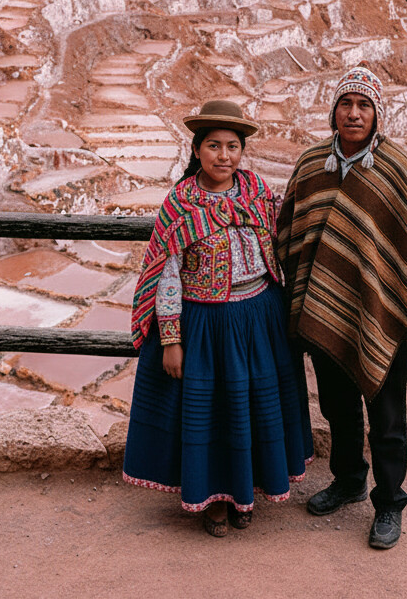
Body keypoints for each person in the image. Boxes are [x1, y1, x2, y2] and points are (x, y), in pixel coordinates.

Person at [276, 66, 407, 550]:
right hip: (323, 310)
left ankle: (390, 502)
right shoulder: (312, 165)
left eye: (364, 105)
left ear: (378, 114)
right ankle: (350, 479)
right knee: (337, 407)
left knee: (387, 416)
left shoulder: (398, 168)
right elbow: (289, 233)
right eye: (346, 104)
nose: (354, 113)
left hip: (385, 314)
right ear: (332, 111)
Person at [123, 99, 313, 537]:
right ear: (196, 150)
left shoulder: (258, 193)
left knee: (252, 409)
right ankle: (215, 502)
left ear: (242, 151)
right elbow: (166, 273)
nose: (223, 156)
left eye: (232, 146)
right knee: (214, 413)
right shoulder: (181, 203)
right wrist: (171, 339)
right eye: (213, 146)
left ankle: (248, 491)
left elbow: (286, 238)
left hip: (259, 318)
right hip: (206, 325)